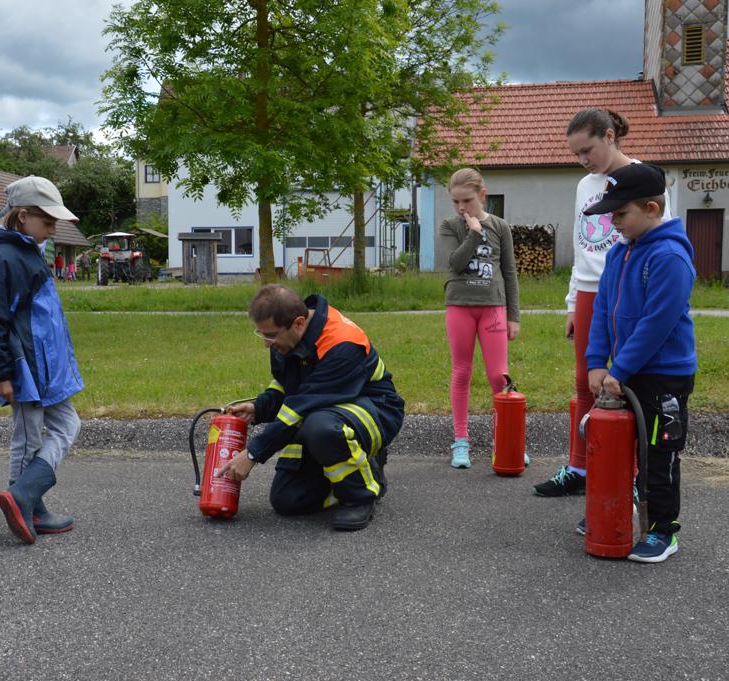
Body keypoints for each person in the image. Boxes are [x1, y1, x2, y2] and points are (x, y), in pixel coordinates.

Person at [534, 108, 673, 497]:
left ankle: (626, 474)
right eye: (576, 154)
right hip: (592, 291)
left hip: (630, 289)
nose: (583, 159)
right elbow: (582, 246)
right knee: (585, 382)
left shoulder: (647, 178)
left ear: (610, 136)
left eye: (588, 149)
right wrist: (572, 300)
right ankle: (580, 467)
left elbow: (662, 238)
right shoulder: (584, 186)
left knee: (625, 385)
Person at [216, 284, 405, 531]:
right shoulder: (286, 340)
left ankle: (361, 495)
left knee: (320, 428)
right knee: (288, 500)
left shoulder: (342, 345)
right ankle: (353, 471)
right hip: (323, 410)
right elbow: (289, 387)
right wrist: (259, 407)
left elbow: (300, 408)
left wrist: (253, 453)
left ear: (298, 323)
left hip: (375, 410)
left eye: (271, 335)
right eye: (262, 334)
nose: (266, 343)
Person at [583, 162, 696, 563]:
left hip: (664, 376)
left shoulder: (669, 257)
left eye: (621, 214)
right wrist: (597, 362)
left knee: (659, 454)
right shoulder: (618, 255)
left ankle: (664, 530)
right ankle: (623, 511)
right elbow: (600, 311)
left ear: (651, 208)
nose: (614, 223)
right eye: (611, 215)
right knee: (622, 449)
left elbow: (657, 324)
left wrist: (620, 369)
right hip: (625, 372)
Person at [0, 176, 84, 545]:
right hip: (26, 370)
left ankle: (26, 497)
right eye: (47, 222)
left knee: (68, 425)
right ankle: (23, 503)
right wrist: (2, 374)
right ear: (21, 217)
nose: (52, 230)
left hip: (48, 372)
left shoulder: (30, 252)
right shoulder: (6, 259)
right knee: (29, 438)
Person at [436, 168, 520, 469]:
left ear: (482, 196)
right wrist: (472, 233)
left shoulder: (500, 226)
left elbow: (509, 272)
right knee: (462, 372)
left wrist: (514, 316)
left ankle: (507, 439)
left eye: (467, 201)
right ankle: (461, 440)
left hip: (493, 307)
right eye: (456, 202)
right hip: (459, 306)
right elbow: (455, 264)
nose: (461, 208)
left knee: (499, 375)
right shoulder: (449, 226)